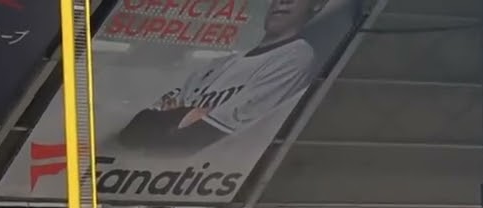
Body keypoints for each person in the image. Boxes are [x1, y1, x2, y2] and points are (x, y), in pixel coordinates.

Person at [115, 0, 329, 153]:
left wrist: (177, 116)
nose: (282, 2)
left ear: (318, 4)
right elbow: (134, 130)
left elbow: (200, 138)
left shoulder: (295, 56)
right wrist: (188, 115)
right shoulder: (220, 62)